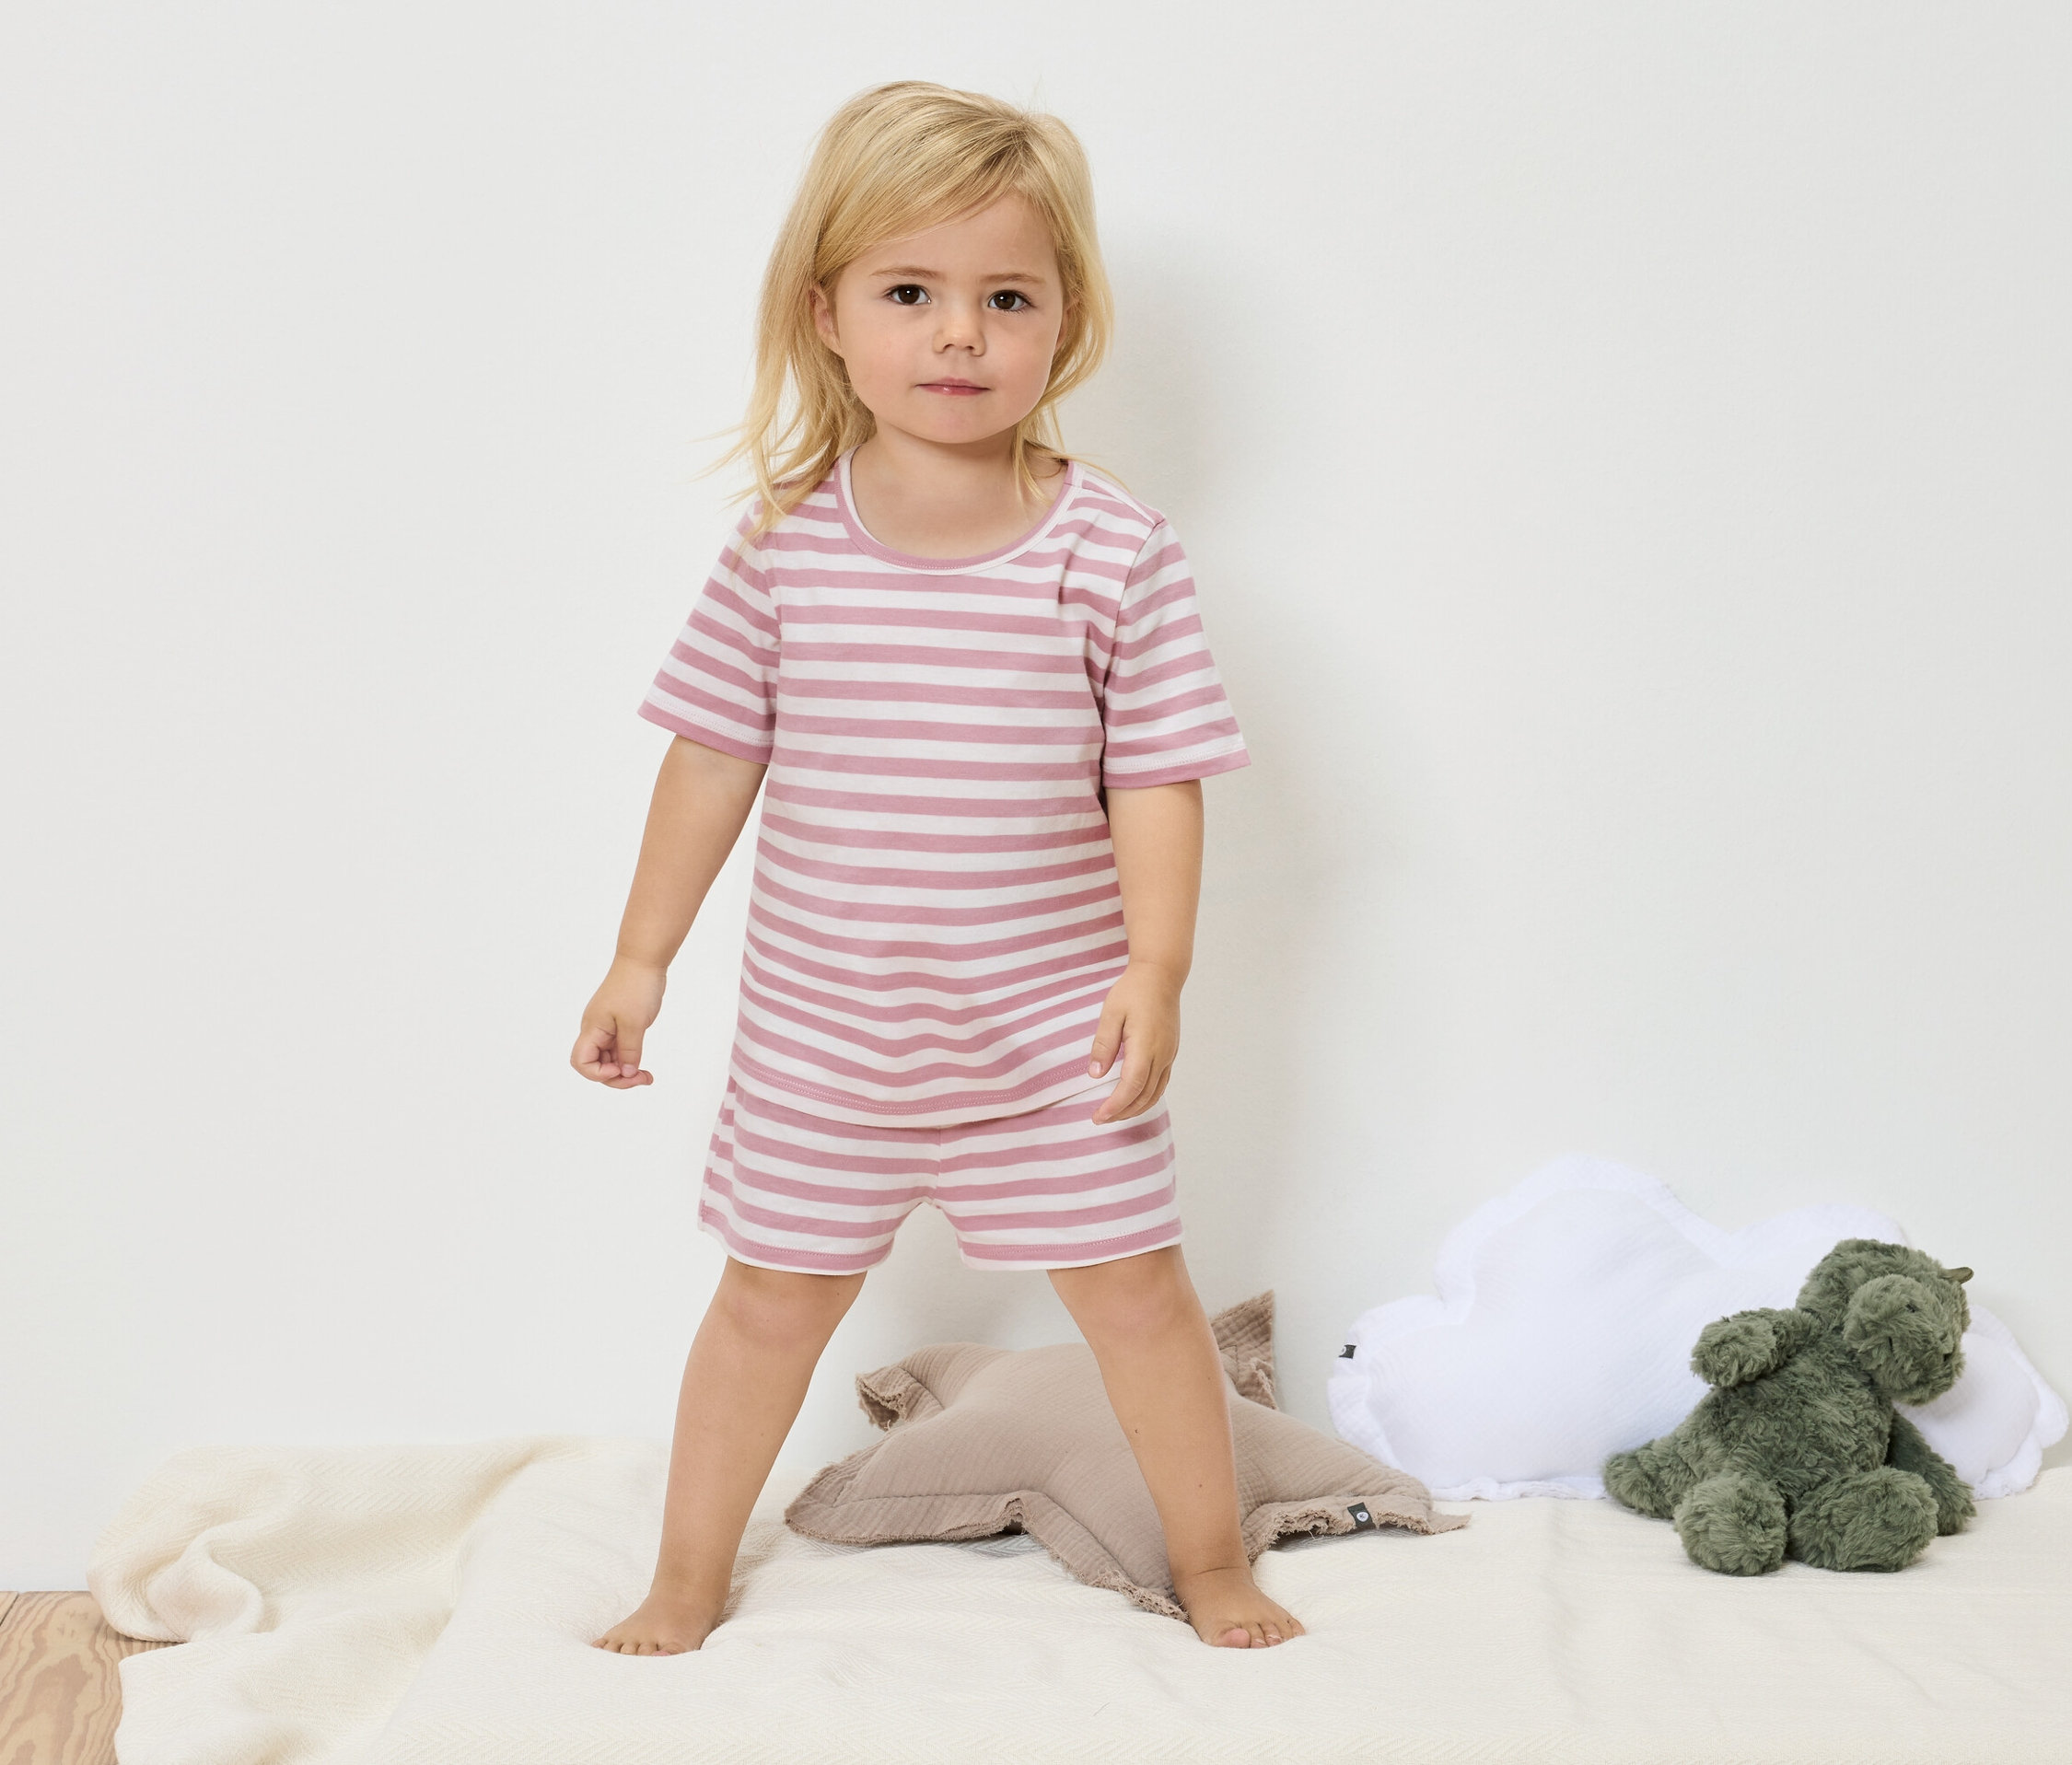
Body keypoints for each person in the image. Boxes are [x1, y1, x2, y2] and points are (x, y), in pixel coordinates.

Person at [573, 78, 1299, 1655]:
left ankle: (1213, 1559)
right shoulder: (783, 544)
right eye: (912, 293)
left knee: (1138, 1299)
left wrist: (1153, 969)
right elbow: (710, 755)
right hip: (828, 1034)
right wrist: (644, 956)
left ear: (1064, 320)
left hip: (1049, 1036)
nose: (958, 334)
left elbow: (1155, 776)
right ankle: (684, 1576)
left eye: (1004, 297)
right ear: (828, 314)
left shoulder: (1109, 548)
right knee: (766, 1304)